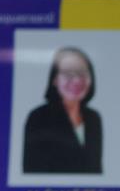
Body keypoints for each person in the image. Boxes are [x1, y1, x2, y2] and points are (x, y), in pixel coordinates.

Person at [22, 46, 102, 174]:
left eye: (82, 73)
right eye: (68, 74)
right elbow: (32, 171)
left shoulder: (93, 118)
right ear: (54, 79)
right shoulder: (38, 118)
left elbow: (97, 170)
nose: (76, 80)